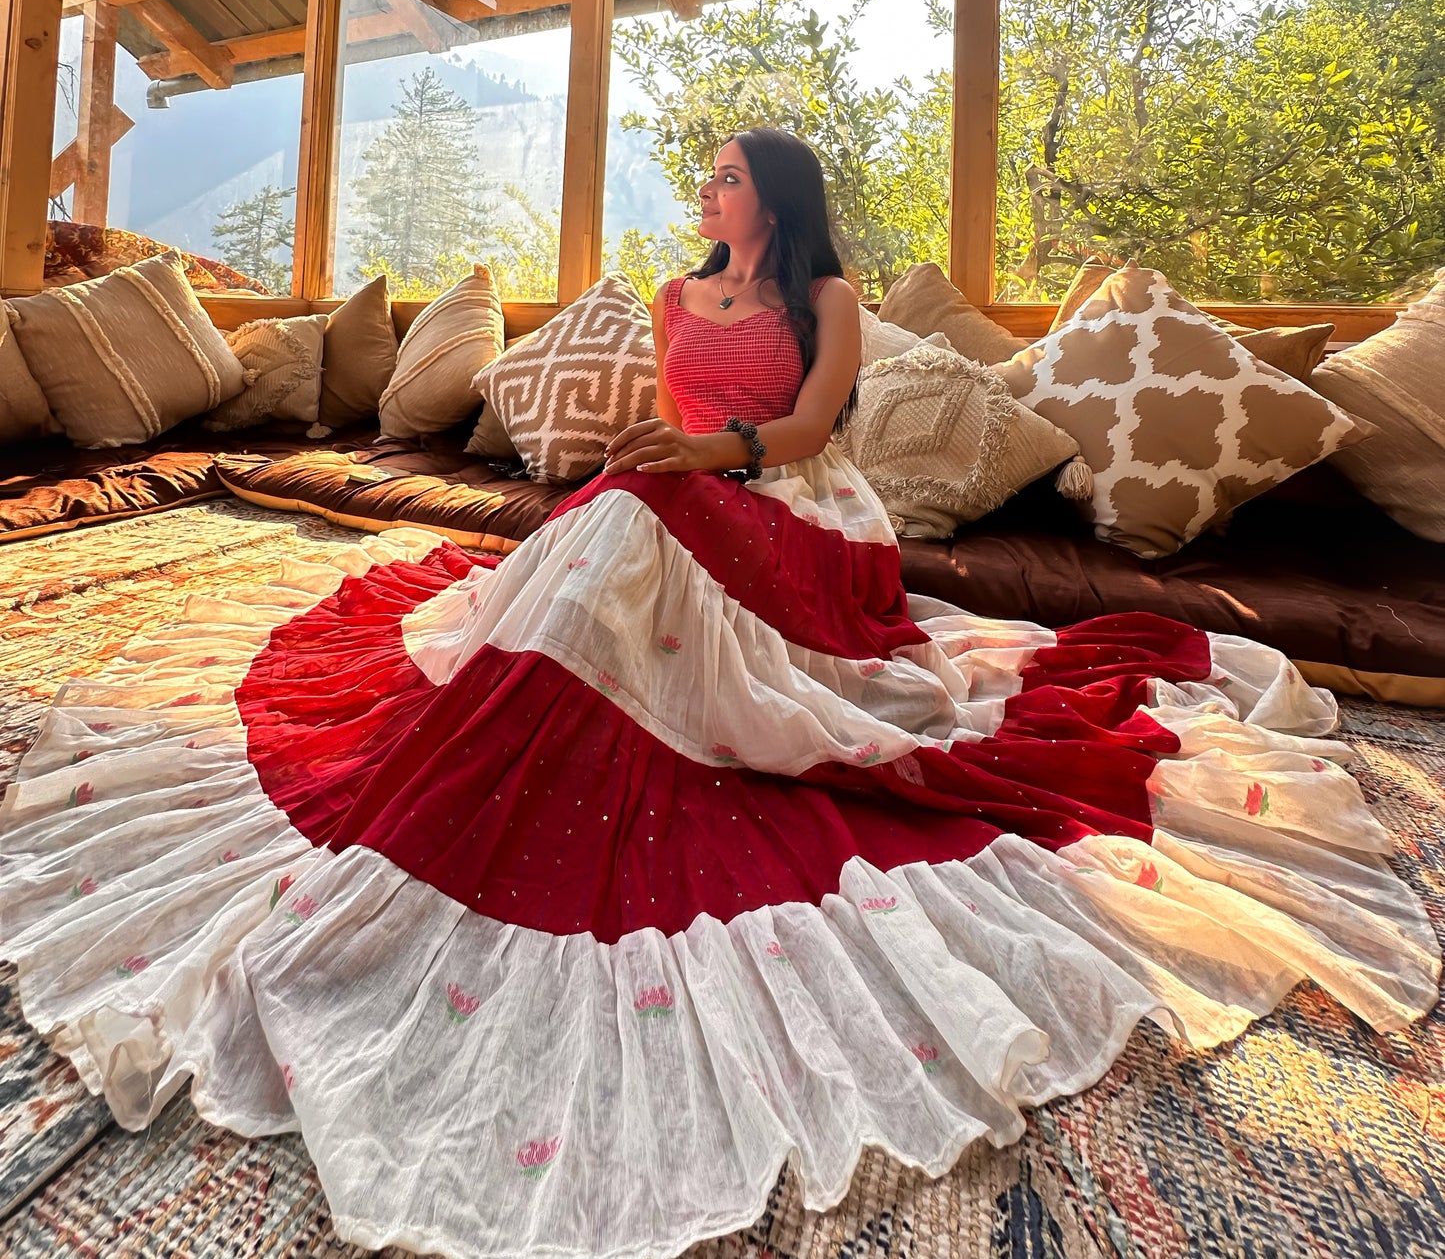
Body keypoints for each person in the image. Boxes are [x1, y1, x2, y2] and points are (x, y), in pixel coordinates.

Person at [0, 127, 1435, 1259]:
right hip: (688, 490)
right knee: (608, 522)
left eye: (732, 170)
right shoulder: (684, 288)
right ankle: (525, 722)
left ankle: (590, 697)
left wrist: (703, 457)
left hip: (808, 510)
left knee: (629, 522)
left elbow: (806, 430)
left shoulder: (828, 294)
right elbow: (678, 424)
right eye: (710, 173)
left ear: (780, 195)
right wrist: (655, 438)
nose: (711, 183)